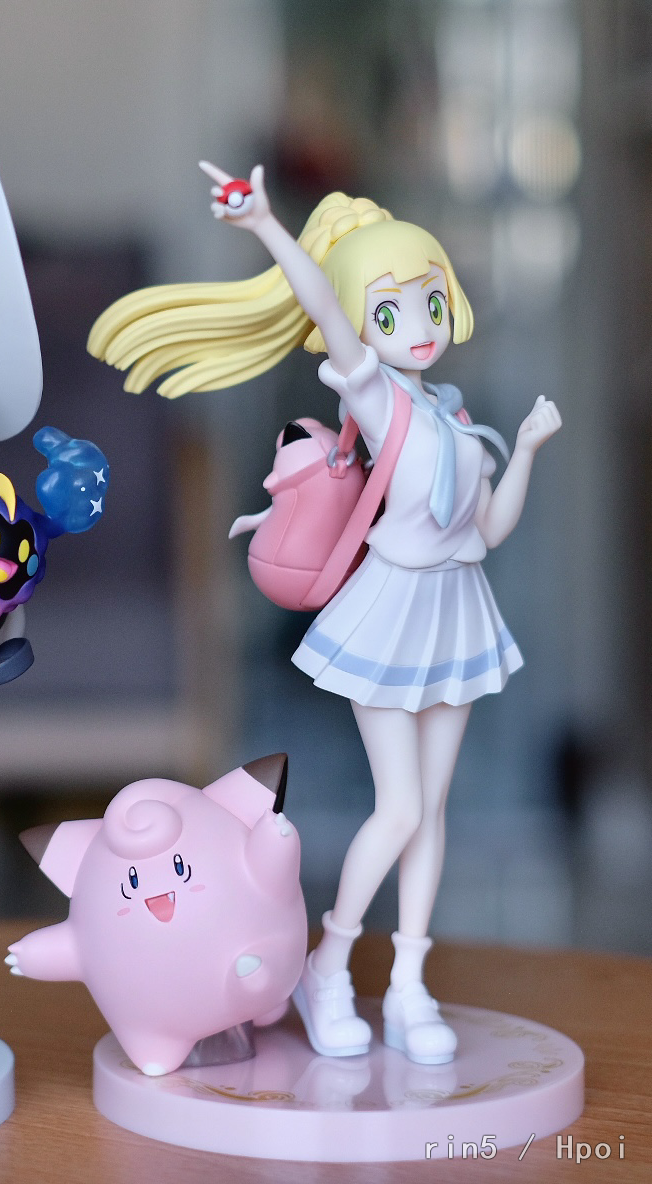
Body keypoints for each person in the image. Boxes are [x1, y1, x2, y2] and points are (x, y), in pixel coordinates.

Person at [88, 162, 560, 1064]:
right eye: (389, 312)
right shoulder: (377, 398)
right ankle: (329, 965)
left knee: (432, 811)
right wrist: (267, 225)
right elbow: (325, 308)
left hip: (457, 612)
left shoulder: (460, 423)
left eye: (428, 302)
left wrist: (527, 450)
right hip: (390, 614)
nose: (416, 327)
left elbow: (487, 532)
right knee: (400, 807)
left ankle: (410, 984)